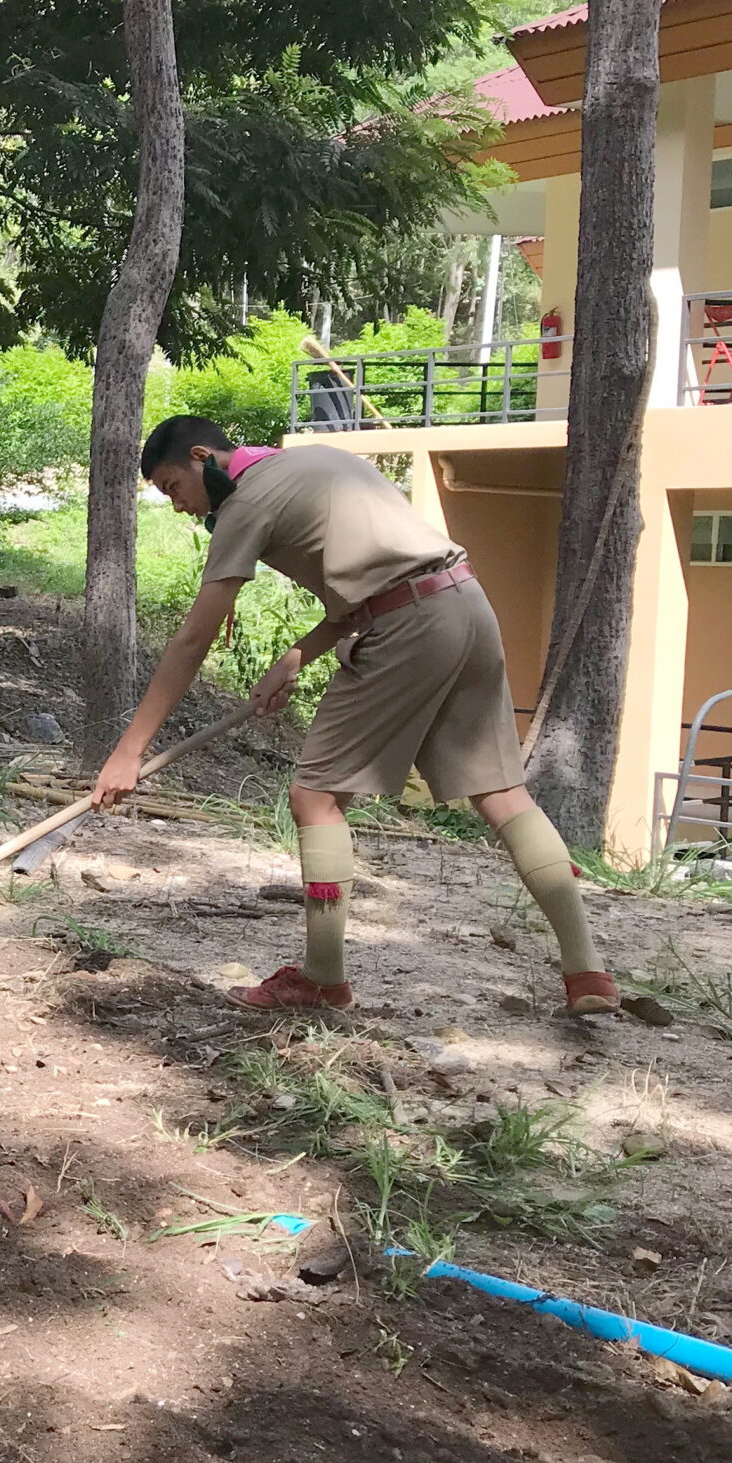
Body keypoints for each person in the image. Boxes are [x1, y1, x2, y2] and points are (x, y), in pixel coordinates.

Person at [94, 416, 617, 1017]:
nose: (179, 505)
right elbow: (379, 583)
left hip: (408, 628)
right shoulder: (316, 461)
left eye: (172, 487)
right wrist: (297, 655)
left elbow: (193, 639)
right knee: (501, 792)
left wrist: (129, 751)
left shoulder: (246, 502)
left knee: (315, 797)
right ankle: (588, 971)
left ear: (200, 456)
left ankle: (322, 979)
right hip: (465, 605)